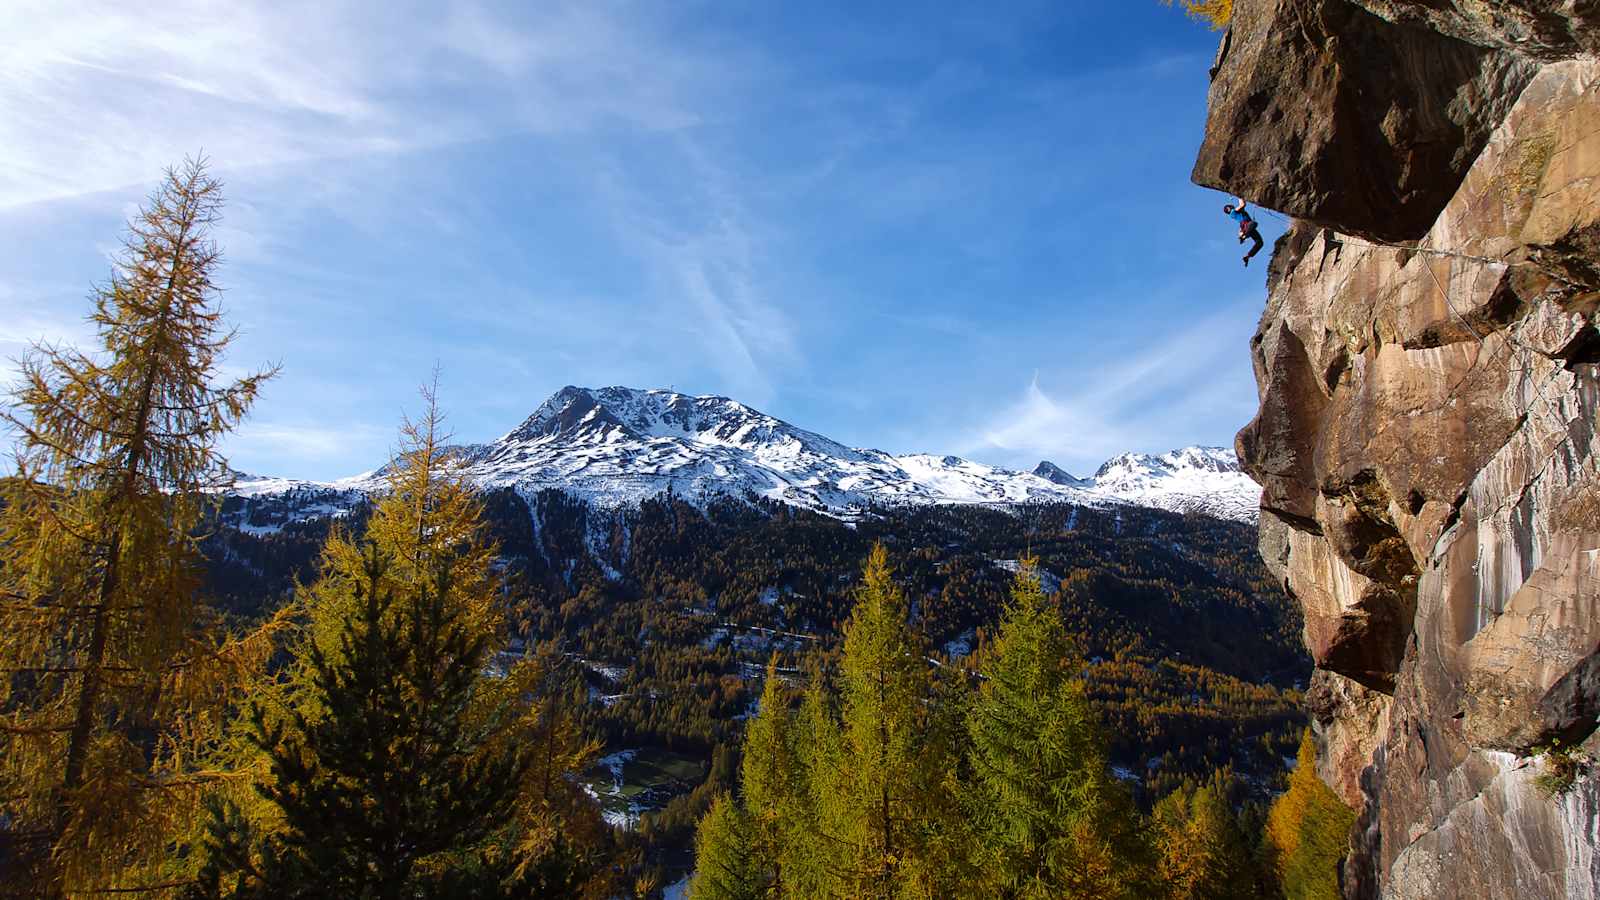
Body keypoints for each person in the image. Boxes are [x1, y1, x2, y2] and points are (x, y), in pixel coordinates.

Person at [1225, 198, 1264, 267]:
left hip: (1247, 228)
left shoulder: (1237, 212)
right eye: (1231, 206)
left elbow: (1242, 206)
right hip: (1248, 226)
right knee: (1254, 223)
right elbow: (1242, 204)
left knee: (1260, 243)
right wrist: (1239, 196)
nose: (1233, 206)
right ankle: (1244, 236)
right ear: (1229, 209)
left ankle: (1247, 256)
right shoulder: (1233, 212)